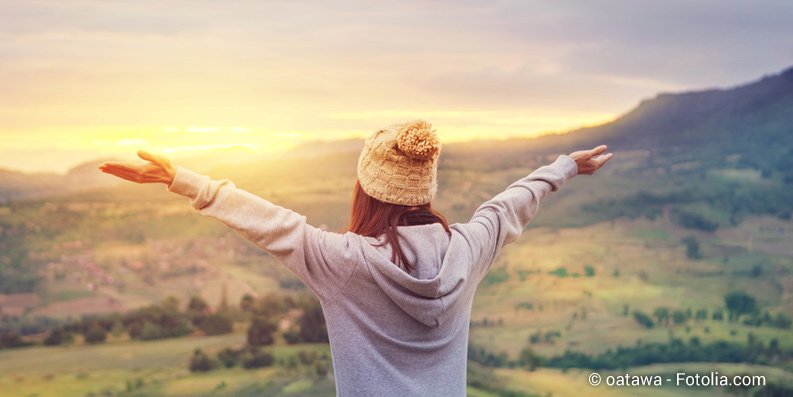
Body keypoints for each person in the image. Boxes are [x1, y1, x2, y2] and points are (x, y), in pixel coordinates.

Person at [98, 119, 612, 396]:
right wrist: (564, 166)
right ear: (424, 191)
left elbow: (272, 223)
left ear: (365, 190)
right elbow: (507, 205)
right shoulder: (468, 249)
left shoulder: (344, 262)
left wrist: (182, 180)